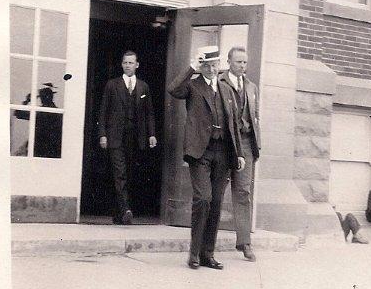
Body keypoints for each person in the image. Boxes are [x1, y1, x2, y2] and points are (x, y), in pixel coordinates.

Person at [168, 45, 245, 270]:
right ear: (201, 67)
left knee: (216, 202)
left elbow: (233, 124)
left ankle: (207, 254)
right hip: (200, 152)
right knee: (203, 199)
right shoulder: (193, 86)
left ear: (219, 65)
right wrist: (192, 67)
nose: (211, 70)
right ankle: (194, 254)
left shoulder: (226, 89)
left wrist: (239, 153)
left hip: (223, 152)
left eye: (214, 65)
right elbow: (173, 89)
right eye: (207, 66)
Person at [98, 50, 156, 225]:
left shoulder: (143, 87)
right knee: (120, 172)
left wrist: (152, 134)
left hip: (135, 137)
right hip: (115, 136)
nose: (128, 65)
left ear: (137, 65)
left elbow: (149, 113)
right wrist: (103, 135)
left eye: (131, 63)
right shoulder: (112, 85)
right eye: (125, 63)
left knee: (129, 173)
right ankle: (126, 209)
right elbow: (103, 111)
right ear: (121, 64)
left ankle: (119, 213)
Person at [218, 46, 260, 262]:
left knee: (243, 193)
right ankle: (206, 243)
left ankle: (245, 242)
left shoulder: (251, 87)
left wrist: (255, 144)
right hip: (225, 144)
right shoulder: (219, 82)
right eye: (238, 62)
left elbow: (255, 116)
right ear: (229, 62)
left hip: (246, 143)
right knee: (216, 191)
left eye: (245, 62)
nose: (242, 66)